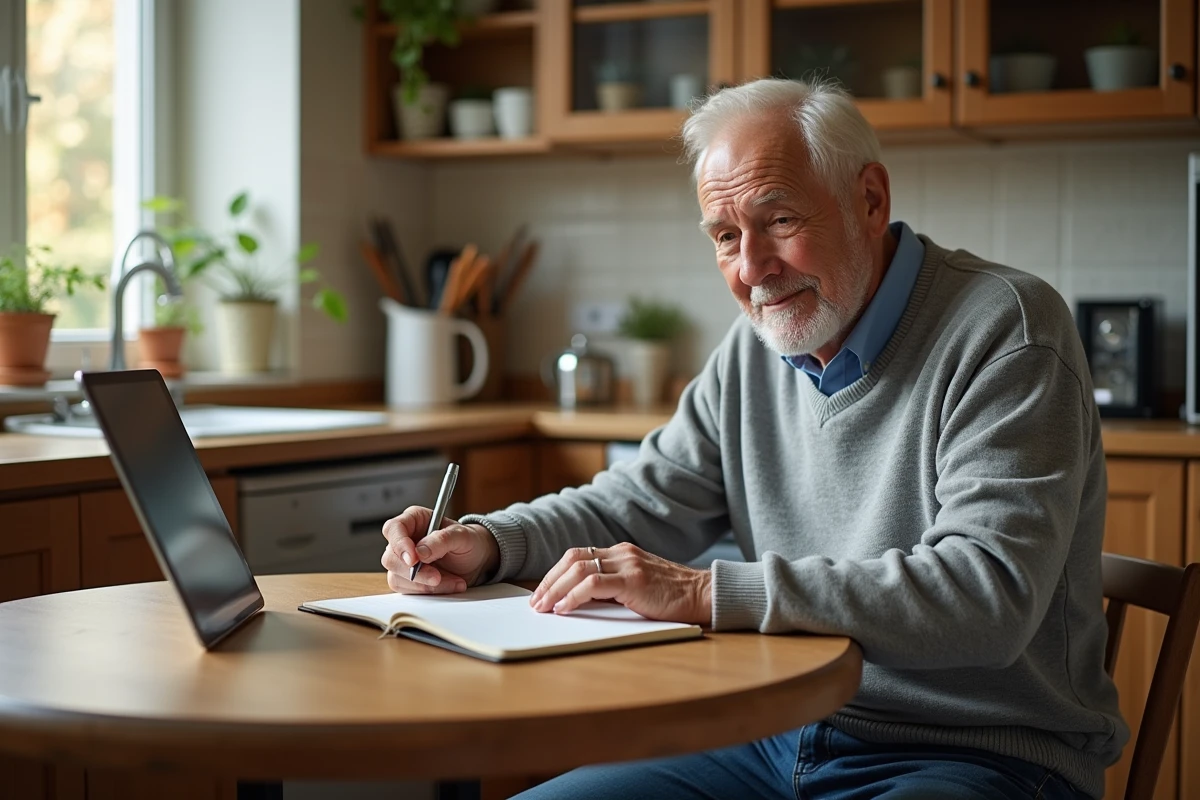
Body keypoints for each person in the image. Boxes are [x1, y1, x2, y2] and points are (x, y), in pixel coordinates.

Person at [380, 78, 1127, 800]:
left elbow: (985, 597)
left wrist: (705, 590)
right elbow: (639, 502)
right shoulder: (755, 350)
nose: (751, 269)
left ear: (870, 199)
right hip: (777, 730)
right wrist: (488, 541)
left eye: (779, 222)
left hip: (978, 754)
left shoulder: (1008, 330)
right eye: (725, 235)